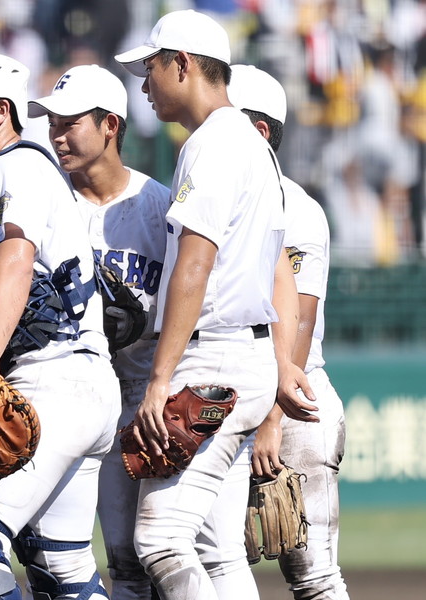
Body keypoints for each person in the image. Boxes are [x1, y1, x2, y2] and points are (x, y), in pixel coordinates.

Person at [115, 10, 316, 600]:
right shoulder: (255, 149)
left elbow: (195, 266)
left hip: (215, 359)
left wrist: (158, 380)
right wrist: (278, 366)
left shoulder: (211, 145)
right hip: (246, 356)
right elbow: (279, 269)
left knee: (160, 540)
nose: (144, 85)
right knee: (217, 551)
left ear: (182, 63)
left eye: (150, 69)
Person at [0, 50, 121, 600]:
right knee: (58, 566)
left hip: (54, 381)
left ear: (1, 110)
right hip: (76, 385)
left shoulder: (18, 167)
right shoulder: (0, 172)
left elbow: (16, 258)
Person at [27, 64, 171, 600]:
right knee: (50, 553)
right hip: (67, 396)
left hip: (141, 399)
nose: (56, 133)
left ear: (111, 125)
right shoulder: (45, 202)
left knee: (148, 558)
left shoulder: (157, 207)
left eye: (70, 122)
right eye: (51, 121)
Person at [228, 64, 350, 600]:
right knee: (206, 560)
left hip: (295, 400)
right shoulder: (206, 197)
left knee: (314, 576)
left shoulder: (296, 207)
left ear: (259, 131)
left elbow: (297, 317)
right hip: (231, 394)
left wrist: (272, 419)